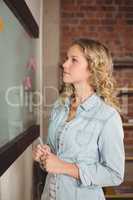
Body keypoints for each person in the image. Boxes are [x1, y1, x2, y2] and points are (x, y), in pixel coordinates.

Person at [33, 38, 125, 200]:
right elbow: (54, 153)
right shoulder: (59, 106)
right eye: (66, 58)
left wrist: (64, 167)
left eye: (73, 60)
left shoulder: (108, 116)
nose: (65, 64)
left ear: (92, 68)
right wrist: (44, 155)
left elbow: (114, 174)